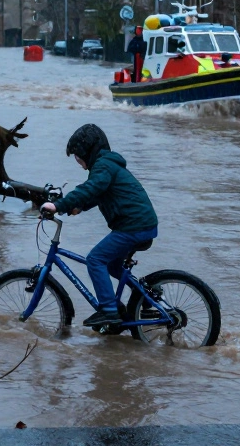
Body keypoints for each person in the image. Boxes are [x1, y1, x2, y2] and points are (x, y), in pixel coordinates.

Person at [40, 124, 158, 329]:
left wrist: (58, 205)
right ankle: (145, 300)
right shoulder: (108, 165)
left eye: (78, 156)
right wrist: (79, 207)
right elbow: (98, 193)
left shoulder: (103, 166)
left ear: (89, 150)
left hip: (133, 226)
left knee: (95, 259)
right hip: (141, 224)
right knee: (112, 265)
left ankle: (109, 311)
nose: (78, 162)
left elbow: (92, 187)